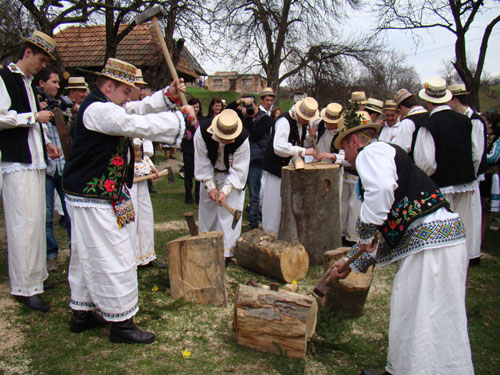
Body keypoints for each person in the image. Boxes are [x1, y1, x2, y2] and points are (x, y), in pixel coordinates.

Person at [330, 109, 474, 375]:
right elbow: (383, 233)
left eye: (344, 149)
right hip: (440, 241)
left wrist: (362, 231)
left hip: (430, 245)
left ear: (354, 141)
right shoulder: (383, 155)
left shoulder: (371, 153)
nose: (345, 157)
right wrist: (351, 263)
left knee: (418, 315)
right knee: (431, 314)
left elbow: (381, 198)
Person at [63, 57, 191, 343]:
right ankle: (121, 322)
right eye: (125, 91)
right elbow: (131, 121)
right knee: (116, 253)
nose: (129, 97)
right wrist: (178, 119)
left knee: (86, 253)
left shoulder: (106, 105)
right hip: (93, 195)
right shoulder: (98, 110)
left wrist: (167, 95)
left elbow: (137, 107)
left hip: (91, 194)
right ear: (109, 86)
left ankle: (81, 313)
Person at [0, 30, 61, 312]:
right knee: (22, 224)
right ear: (27, 53)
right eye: (41, 59)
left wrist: (46, 141)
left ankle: (36, 278)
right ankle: (23, 286)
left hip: (35, 161)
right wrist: (31, 117)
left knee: (37, 221)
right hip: (15, 163)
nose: (43, 66)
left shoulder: (28, 84)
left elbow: (34, 122)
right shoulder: (4, 77)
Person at [413, 77, 477, 264]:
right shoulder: (465, 121)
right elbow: (474, 152)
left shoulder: (429, 125)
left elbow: (426, 163)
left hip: (441, 186)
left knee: (442, 233)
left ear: (428, 100)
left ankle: (445, 268)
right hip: (465, 183)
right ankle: (461, 266)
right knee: (463, 228)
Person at [194, 109, 250, 262]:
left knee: (228, 218)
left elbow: (239, 170)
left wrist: (225, 191)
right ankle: (207, 247)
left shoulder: (242, 138)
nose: (225, 141)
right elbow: (202, 162)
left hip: (230, 177)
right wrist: (210, 187)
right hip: (210, 174)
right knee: (208, 214)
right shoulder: (202, 132)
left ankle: (225, 254)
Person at [126, 71, 165, 269]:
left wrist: (150, 167)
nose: (141, 92)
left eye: (142, 88)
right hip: (127, 177)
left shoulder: (141, 114)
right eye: (138, 87)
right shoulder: (121, 111)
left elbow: (145, 149)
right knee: (130, 219)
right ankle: (131, 260)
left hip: (141, 174)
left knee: (146, 214)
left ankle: (147, 255)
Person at [261, 97, 318, 233]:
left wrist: (311, 138)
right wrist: (303, 151)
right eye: (305, 118)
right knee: (273, 205)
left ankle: (282, 233)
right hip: (275, 168)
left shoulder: (302, 124)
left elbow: (300, 142)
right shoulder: (284, 121)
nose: (307, 121)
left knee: (286, 204)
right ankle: (270, 233)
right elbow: (279, 147)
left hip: (288, 170)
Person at [37, 66, 72, 273]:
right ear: (42, 84)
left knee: (71, 212)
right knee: (47, 215)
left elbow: (68, 135)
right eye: (54, 82)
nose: (58, 86)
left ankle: (75, 250)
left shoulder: (61, 106)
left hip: (63, 167)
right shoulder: (34, 104)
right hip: (46, 168)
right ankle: (51, 254)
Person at [448, 83, 487, 266]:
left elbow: (476, 153)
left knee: (470, 217)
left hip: (470, 179)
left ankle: (472, 253)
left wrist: (470, 175)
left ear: (455, 100)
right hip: (462, 177)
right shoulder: (461, 120)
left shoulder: (475, 121)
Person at [228, 95, 273, 229]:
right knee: (236, 192)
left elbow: (252, 135)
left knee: (254, 195)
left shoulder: (265, 119)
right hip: (241, 161)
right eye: (247, 105)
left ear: (257, 105)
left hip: (256, 161)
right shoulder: (241, 115)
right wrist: (238, 101)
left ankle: (253, 224)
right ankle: (233, 220)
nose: (249, 108)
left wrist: (247, 118)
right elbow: (227, 112)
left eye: (252, 105)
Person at [479, 110, 500, 241]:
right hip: (480, 175)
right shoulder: (481, 136)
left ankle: (480, 238)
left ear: (491, 124)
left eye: (485, 121)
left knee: (485, 209)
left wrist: (477, 157)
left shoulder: (497, 139)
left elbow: (494, 157)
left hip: (489, 177)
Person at [391, 88, 428, 158]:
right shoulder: (429, 116)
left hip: (415, 164)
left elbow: (401, 148)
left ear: (401, 107)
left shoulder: (407, 122)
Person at [181, 97, 202, 204]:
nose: (196, 109)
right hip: (189, 150)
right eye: (194, 107)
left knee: (199, 174)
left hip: (199, 151)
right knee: (188, 174)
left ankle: (198, 196)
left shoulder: (202, 119)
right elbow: (187, 135)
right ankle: (188, 196)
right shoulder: (184, 120)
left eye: (197, 107)